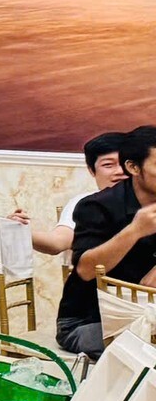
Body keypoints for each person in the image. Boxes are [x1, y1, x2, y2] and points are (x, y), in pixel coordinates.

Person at [59, 125, 156, 357]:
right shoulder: (97, 206)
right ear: (133, 167)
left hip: (149, 316)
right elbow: (86, 270)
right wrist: (134, 230)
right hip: (90, 322)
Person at [18, 131, 126, 257]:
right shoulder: (85, 203)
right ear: (92, 171)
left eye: (125, 163)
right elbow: (57, 242)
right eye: (108, 165)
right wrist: (20, 230)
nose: (119, 171)